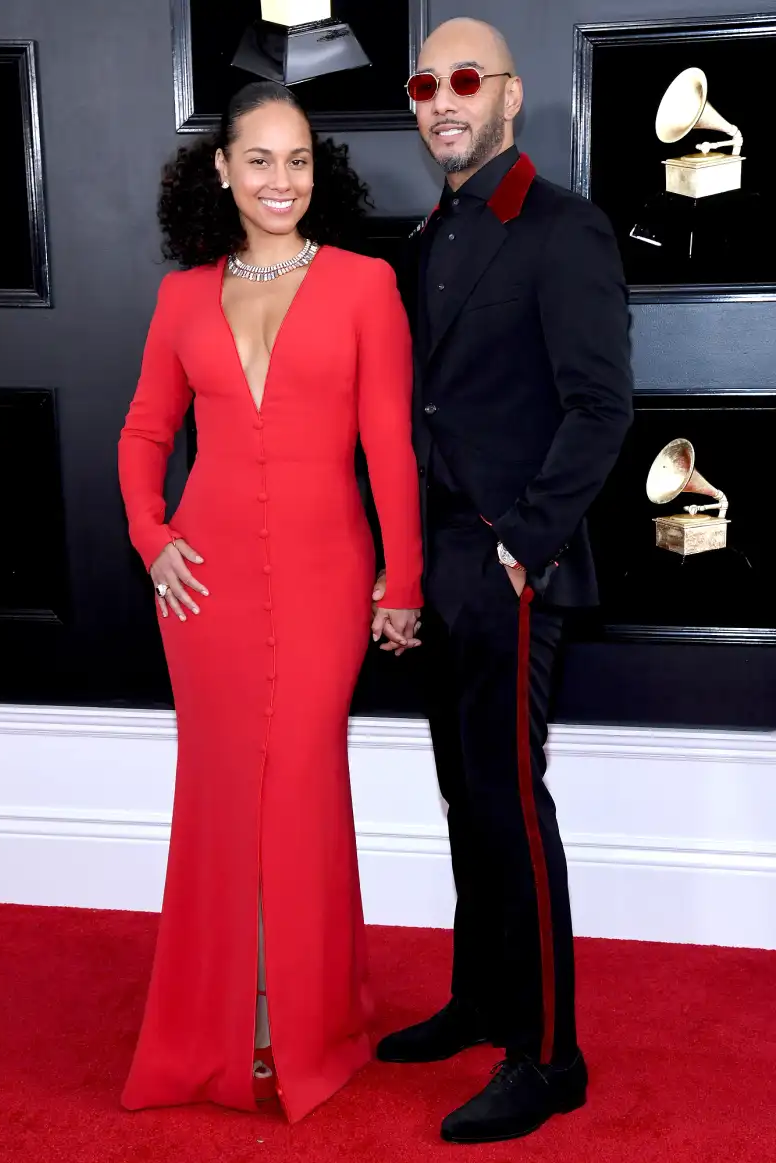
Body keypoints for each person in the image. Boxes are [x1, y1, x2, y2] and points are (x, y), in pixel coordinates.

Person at [118, 81, 422, 1123]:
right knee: (215, 793)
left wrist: (402, 577)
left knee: (295, 786)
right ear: (221, 169)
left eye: (297, 161)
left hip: (325, 579)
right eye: (259, 160)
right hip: (203, 593)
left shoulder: (363, 285)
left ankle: (306, 1015)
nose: (279, 181)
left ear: (316, 171)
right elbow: (143, 434)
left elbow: (389, 446)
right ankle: (225, 1020)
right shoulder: (180, 298)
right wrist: (152, 537)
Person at [374, 18, 634, 1144]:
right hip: (435, 569)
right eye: (426, 81)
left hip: (508, 562)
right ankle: (485, 997)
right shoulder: (429, 232)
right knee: (462, 797)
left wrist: (522, 541)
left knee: (508, 805)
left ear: (510, 97)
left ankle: (549, 1055)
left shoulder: (562, 227)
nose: (443, 98)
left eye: (465, 80)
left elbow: (600, 405)